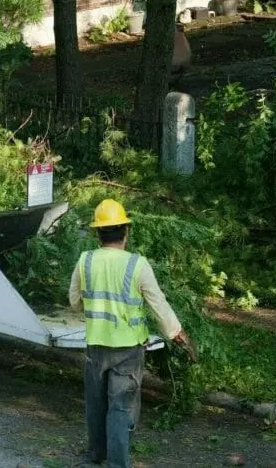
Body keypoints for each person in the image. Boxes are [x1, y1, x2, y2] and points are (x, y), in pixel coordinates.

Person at [69, 199, 194, 468]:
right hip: (128, 351)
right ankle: (118, 464)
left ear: (97, 233)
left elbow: (74, 301)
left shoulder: (85, 260)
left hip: (96, 347)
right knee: (121, 407)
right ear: (126, 232)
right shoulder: (138, 265)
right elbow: (158, 304)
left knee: (96, 404)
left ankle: (96, 454)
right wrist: (177, 334)